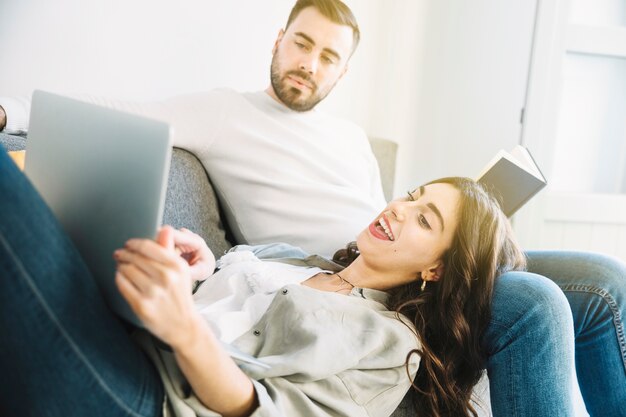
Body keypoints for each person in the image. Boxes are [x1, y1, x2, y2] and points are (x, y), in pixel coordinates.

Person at [1, 0, 625, 415]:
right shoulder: (228, 118)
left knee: (600, 287)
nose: (309, 63)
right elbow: (118, 113)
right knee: (555, 296)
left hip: (380, 285)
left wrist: (446, 226)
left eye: (328, 56)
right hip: (326, 270)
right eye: (302, 44)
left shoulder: (352, 145)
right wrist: (207, 270)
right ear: (279, 42)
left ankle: (479, 249)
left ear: (343, 71)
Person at [0, 146, 525, 416]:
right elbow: (237, 308)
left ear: (435, 269)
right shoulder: (298, 261)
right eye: (412, 195)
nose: (400, 210)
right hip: (126, 337)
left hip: (149, 396)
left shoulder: (391, 345)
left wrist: (186, 329)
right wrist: (207, 273)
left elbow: (261, 410)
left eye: (426, 220)